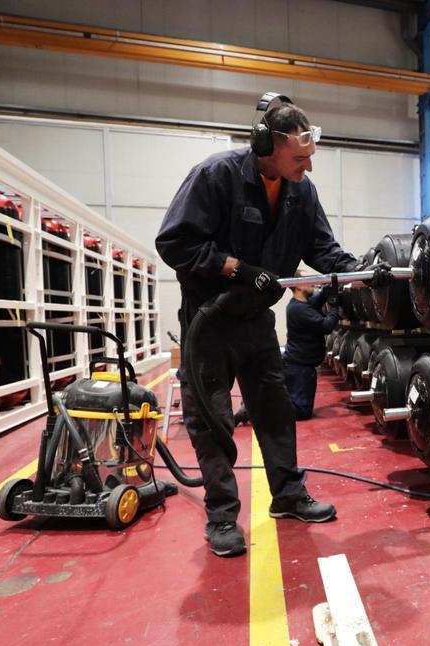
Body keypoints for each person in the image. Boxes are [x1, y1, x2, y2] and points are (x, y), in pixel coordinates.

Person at [156, 95, 389, 557]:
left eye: (310, 158)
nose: (308, 167)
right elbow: (174, 242)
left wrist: (363, 271)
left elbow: (323, 249)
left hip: (257, 322)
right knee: (213, 419)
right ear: (267, 145)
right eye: (300, 158)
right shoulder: (217, 175)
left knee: (275, 410)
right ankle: (222, 516)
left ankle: (287, 495)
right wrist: (236, 268)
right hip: (209, 319)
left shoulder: (302, 191)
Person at [283, 284, 341, 420]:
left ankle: (262, 406)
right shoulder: (299, 310)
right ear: (298, 287)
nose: (313, 283)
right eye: (307, 281)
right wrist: (334, 306)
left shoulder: (298, 305)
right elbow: (327, 326)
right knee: (302, 412)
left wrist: (325, 293)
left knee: (300, 407)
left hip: (298, 365)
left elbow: (313, 304)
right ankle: (256, 411)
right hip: (299, 368)